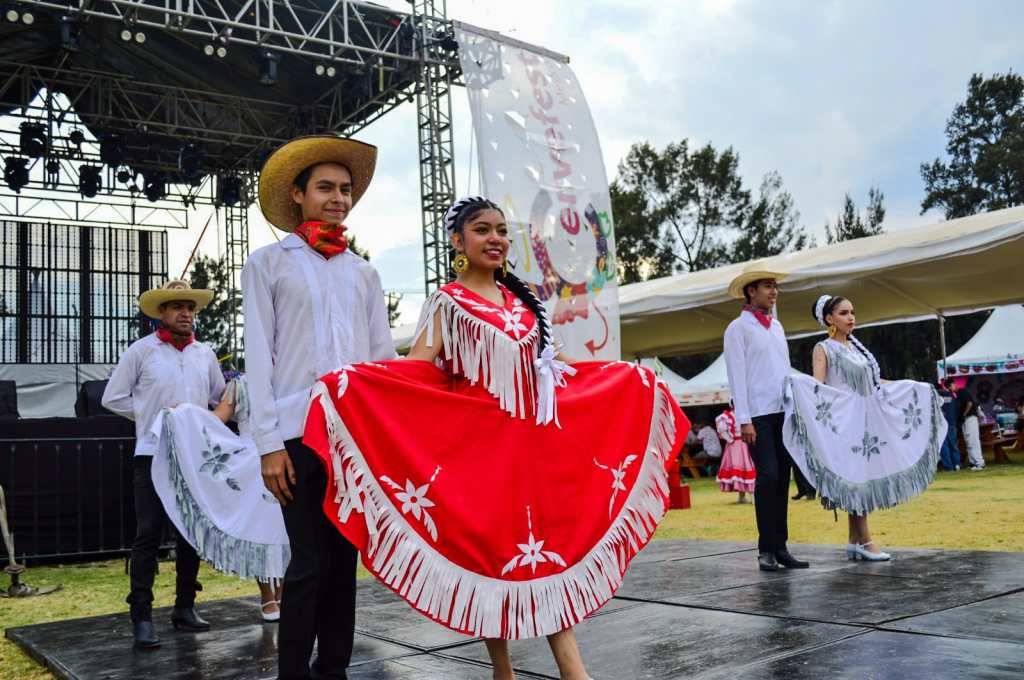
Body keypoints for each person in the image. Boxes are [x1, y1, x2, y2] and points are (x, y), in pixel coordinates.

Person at [299, 196, 689, 680]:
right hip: (481, 453)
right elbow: (420, 366)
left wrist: (623, 378)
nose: (495, 239)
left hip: (535, 450)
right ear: (458, 241)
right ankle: (502, 669)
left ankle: (571, 669)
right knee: (491, 557)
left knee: (548, 552)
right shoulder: (447, 301)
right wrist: (355, 384)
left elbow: (560, 367)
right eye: (482, 230)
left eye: (501, 230)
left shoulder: (526, 301)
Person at [244, 135, 397, 680]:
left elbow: (382, 361)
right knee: (307, 561)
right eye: (326, 188)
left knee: (342, 563)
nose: (338, 199)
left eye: (346, 189)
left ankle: (334, 670)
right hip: (294, 433)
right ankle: (293, 673)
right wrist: (267, 445)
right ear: (298, 194)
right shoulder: (268, 264)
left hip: (353, 437)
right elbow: (257, 357)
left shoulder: (364, 272)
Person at [101, 280, 225, 649]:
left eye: (190, 307)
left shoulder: (205, 353)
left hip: (193, 456)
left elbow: (219, 398)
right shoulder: (141, 351)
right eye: (177, 307)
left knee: (190, 534)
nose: (186, 313)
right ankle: (141, 616)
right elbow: (112, 397)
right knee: (148, 533)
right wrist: (153, 416)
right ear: (162, 312)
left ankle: (184, 607)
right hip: (152, 453)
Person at [782, 295, 946, 562]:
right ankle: (866, 542)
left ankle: (854, 541)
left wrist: (912, 387)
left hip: (866, 421)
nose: (851, 317)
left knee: (861, 476)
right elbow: (818, 386)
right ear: (829, 318)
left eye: (852, 312)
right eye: (844, 313)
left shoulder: (856, 348)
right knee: (856, 479)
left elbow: (874, 382)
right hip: (846, 422)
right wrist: (797, 388)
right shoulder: (823, 348)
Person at [152, 376, 289, 623]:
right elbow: (218, 418)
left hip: (284, 456)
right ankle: (267, 595)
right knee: (259, 528)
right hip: (252, 463)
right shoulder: (240, 384)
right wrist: (185, 413)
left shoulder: (286, 378)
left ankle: (283, 592)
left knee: (283, 529)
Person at [723, 266, 809, 572]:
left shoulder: (777, 327)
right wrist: (743, 419)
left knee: (782, 478)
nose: (774, 292)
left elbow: (783, 371)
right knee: (768, 476)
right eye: (768, 286)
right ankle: (766, 549)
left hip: (782, 412)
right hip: (757, 415)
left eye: (775, 286)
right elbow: (737, 375)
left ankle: (781, 547)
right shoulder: (738, 329)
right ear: (751, 291)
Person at [716, 406, 755, 503]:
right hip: (743, 444)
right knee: (746, 468)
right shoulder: (745, 414)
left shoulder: (727, 416)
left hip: (737, 445)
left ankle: (745, 496)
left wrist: (730, 439)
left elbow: (721, 428)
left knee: (744, 469)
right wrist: (730, 439)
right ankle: (745, 497)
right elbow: (721, 428)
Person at [936, 378, 961, 471]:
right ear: (949, 386)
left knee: (945, 445)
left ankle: (949, 466)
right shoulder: (950, 395)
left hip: (942, 424)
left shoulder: (939, 396)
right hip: (951, 423)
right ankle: (956, 464)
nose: (956, 386)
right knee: (953, 444)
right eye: (954, 384)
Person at [958, 386, 985, 470]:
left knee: (973, 441)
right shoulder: (958, 394)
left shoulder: (962, 392)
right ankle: (973, 462)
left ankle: (979, 463)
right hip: (966, 420)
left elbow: (969, 403)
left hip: (970, 418)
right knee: (969, 441)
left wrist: (964, 414)